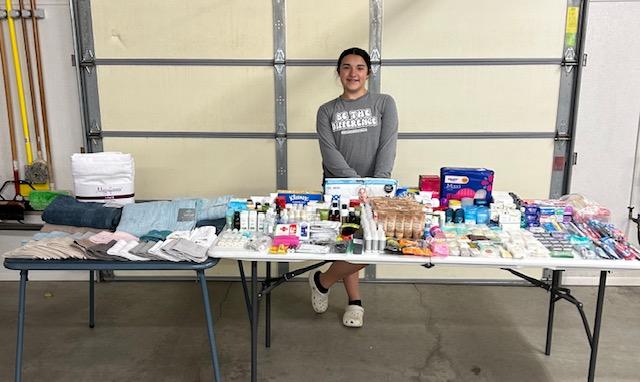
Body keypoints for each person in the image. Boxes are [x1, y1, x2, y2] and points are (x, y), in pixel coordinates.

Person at [310, 47, 398, 328]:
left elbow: (388, 144)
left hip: (375, 187)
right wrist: (353, 183)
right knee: (347, 241)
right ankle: (355, 303)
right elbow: (329, 152)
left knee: (371, 245)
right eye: (346, 67)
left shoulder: (384, 103)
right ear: (339, 73)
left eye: (360, 67)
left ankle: (322, 281)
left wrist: (377, 184)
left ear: (368, 72)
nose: (353, 73)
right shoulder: (327, 110)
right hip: (339, 187)